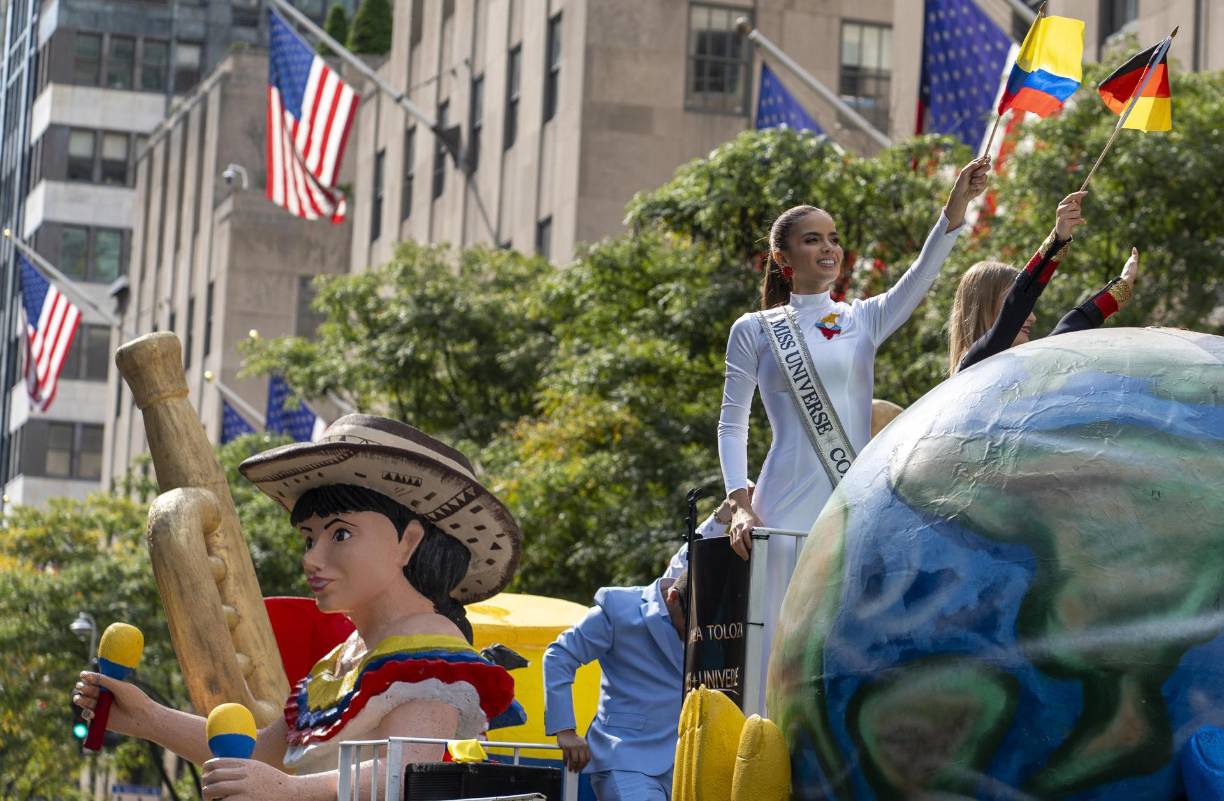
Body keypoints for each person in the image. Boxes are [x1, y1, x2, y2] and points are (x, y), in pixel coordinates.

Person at [71, 415, 522, 800]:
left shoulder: (431, 654)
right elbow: (257, 756)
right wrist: (146, 717)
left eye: (340, 534)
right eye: (309, 538)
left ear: (409, 541)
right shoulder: (344, 659)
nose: (311, 558)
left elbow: (403, 771)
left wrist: (290, 790)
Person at [718, 157, 990, 705]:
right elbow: (732, 421)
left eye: (834, 239)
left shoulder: (861, 319)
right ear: (782, 258)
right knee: (776, 644)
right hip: (782, 504)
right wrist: (740, 504)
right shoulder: (755, 330)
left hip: (851, 500)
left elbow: (922, 275)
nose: (829, 248)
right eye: (812, 239)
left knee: (844, 640)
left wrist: (954, 208)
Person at [949, 191, 1140, 374]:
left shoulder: (1017, 367)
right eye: (1010, 299)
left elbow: (1064, 334)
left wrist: (1119, 290)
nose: (1032, 317)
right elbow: (1017, 305)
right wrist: (1058, 238)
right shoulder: (972, 367)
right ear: (983, 306)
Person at [543, 567, 690, 801]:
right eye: (689, 623)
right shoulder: (618, 607)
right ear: (672, 597)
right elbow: (559, 656)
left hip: (685, 763)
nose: (693, 631)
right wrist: (564, 729)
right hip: (625, 754)